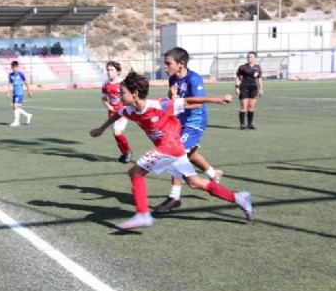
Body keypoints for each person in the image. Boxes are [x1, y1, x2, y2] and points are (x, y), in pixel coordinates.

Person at [90, 72, 254, 230]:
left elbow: (188, 101)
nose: (119, 96)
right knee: (195, 182)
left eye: (122, 92)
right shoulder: (131, 110)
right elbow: (117, 114)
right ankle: (240, 199)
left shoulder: (159, 104)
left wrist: (216, 99)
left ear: (135, 94)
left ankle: (142, 215)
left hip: (169, 147)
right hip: (175, 151)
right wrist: (101, 129)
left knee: (135, 172)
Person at [153, 47, 224, 214]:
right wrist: (171, 97)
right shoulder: (172, 80)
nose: (165, 67)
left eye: (168, 63)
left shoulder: (194, 79)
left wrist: (178, 100)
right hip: (180, 122)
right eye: (165, 64)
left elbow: (198, 103)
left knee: (175, 152)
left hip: (195, 122)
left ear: (181, 64)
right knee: (189, 154)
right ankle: (213, 173)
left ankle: (174, 197)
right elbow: (174, 101)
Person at [100, 61, 133, 163]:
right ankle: (124, 154)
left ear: (118, 72)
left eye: (112, 70)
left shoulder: (123, 83)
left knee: (117, 132)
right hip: (112, 112)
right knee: (116, 134)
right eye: (108, 70)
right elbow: (104, 98)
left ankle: (128, 152)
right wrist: (108, 106)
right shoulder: (105, 84)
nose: (109, 72)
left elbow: (129, 96)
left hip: (123, 111)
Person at [235, 51, 264, 130]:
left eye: (251, 57)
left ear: (254, 58)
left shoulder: (258, 67)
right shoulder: (242, 67)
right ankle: (242, 125)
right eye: (248, 57)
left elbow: (259, 78)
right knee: (244, 106)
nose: (249, 58)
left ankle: (250, 124)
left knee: (251, 107)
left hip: (253, 88)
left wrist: (261, 88)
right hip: (244, 87)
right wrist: (237, 87)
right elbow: (238, 77)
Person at [7, 60, 33, 127]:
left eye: (15, 67)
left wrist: (29, 91)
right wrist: (8, 92)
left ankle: (16, 122)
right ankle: (28, 115)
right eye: (13, 67)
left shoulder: (20, 74)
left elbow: (26, 82)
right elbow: (10, 84)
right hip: (14, 93)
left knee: (15, 106)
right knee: (15, 107)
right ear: (11, 67)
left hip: (20, 92)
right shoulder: (10, 75)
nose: (14, 68)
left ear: (18, 67)